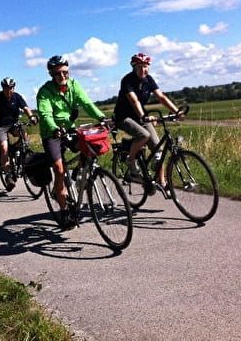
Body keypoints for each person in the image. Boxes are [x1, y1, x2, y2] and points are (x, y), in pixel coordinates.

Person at [37, 55, 107, 230]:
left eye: (65, 72)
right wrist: (54, 128)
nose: (63, 76)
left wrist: (102, 117)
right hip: (51, 133)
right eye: (58, 73)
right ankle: (64, 210)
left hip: (69, 129)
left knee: (89, 148)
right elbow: (45, 115)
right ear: (51, 74)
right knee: (60, 170)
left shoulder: (74, 85)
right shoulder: (45, 91)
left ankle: (77, 174)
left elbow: (86, 103)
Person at [113, 52, 184, 198]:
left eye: (146, 66)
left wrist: (176, 111)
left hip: (140, 117)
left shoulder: (148, 80)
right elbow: (134, 101)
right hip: (123, 117)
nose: (143, 70)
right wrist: (144, 116)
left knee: (158, 150)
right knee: (143, 135)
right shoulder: (127, 80)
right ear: (134, 67)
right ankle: (130, 160)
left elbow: (161, 97)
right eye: (140, 67)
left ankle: (163, 183)